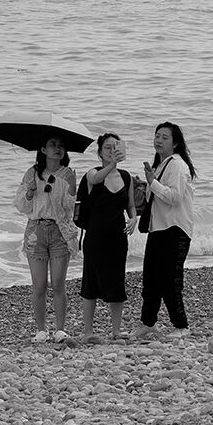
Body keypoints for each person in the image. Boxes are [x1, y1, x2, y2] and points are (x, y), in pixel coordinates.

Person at [132, 122, 196, 339]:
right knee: (150, 279)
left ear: (175, 143)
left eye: (164, 137)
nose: (158, 140)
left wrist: (152, 183)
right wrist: (144, 186)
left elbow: (175, 197)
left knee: (170, 280)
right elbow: (157, 198)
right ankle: (148, 323)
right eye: (157, 136)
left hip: (175, 229)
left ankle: (182, 326)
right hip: (158, 229)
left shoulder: (177, 165)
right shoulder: (161, 165)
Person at [13, 136, 79, 343]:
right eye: (52, 145)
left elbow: (70, 208)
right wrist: (30, 193)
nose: (57, 149)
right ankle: (41, 329)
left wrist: (71, 187)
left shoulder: (68, 174)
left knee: (58, 284)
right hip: (36, 230)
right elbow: (21, 206)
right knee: (39, 284)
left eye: (60, 145)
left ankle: (60, 329)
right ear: (42, 149)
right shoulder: (32, 173)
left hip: (60, 230)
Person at [78, 133, 139, 344]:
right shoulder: (92, 173)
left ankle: (116, 330)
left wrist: (133, 220)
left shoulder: (126, 176)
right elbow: (96, 179)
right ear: (100, 153)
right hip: (95, 237)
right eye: (107, 148)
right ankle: (88, 331)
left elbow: (130, 205)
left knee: (116, 281)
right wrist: (111, 164)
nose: (112, 151)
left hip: (117, 236)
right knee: (91, 282)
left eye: (116, 147)